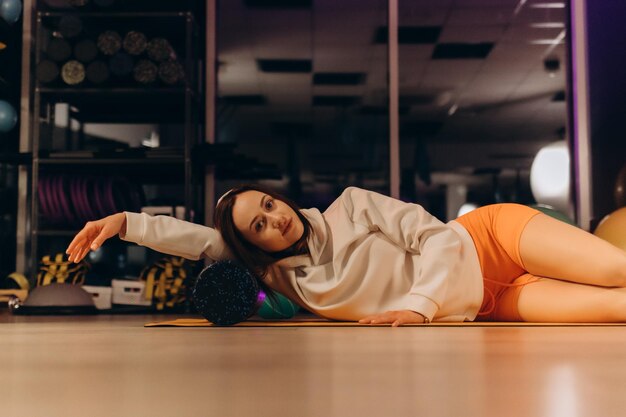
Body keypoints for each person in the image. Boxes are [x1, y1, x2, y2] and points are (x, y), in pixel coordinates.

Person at [66, 185, 626, 326]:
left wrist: (419, 307)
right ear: (252, 247)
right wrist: (126, 225)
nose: (274, 217)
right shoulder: (285, 280)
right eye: (258, 225)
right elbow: (200, 240)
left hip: (487, 239)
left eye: (268, 203)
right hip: (486, 302)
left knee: (615, 269)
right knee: (616, 310)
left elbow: (434, 237)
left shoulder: (352, 207)